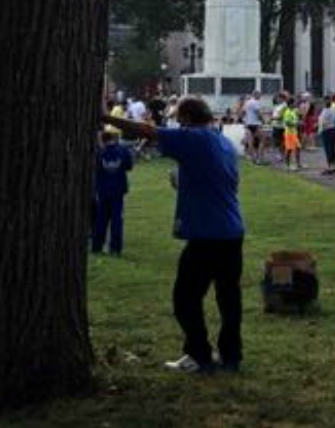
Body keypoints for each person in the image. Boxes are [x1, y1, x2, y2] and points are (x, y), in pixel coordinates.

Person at [103, 97, 244, 374]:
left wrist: (105, 117)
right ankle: (231, 357)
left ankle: (199, 355)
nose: (177, 124)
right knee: (229, 298)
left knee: (185, 298)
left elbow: (146, 130)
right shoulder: (223, 142)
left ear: (187, 119)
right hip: (231, 230)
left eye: (179, 119)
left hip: (207, 235)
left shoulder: (193, 137)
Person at [92, 130, 134, 255]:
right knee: (117, 219)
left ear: (102, 140)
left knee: (101, 218)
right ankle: (115, 248)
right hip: (118, 189)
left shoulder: (99, 152)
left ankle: (97, 246)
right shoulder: (123, 150)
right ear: (113, 139)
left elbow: (95, 167)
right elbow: (129, 166)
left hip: (103, 189)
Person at [318, 96, 335, 176]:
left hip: (328, 130)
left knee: (329, 149)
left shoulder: (329, 110)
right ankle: (333, 167)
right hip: (330, 130)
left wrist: (320, 126)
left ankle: (331, 167)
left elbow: (324, 122)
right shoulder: (330, 109)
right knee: (331, 149)